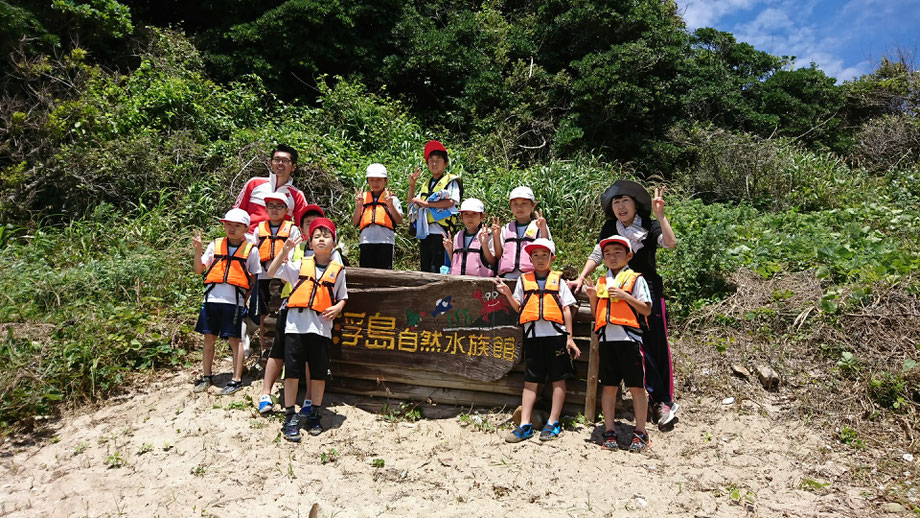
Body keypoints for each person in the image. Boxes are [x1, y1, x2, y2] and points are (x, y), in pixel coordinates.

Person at [568, 180, 679, 428]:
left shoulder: (649, 227)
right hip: (615, 292)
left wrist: (661, 217)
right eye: (616, 202)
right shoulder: (610, 228)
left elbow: (670, 243)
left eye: (625, 200)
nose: (620, 206)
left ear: (636, 204)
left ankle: (662, 401)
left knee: (655, 346)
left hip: (646, 291)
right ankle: (643, 397)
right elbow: (597, 255)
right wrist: (581, 277)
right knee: (629, 347)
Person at [267, 218, 347, 441]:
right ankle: (290, 415)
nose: (321, 239)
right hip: (295, 326)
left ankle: (314, 414)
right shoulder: (300, 265)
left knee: (318, 374)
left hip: (321, 328)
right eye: (317, 236)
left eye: (326, 236)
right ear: (310, 243)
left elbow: (343, 296)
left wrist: (337, 308)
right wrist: (284, 251)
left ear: (334, 242)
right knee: (292, 372)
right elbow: (273, 271)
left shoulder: (338, 270)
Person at [257, 205, 341, 414]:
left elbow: (340, 284)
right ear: (305, 232)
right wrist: (285, 250)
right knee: (278, 350)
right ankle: (266, 394)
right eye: (308, 225)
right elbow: (276, 270)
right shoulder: (296, 249)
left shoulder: (333, 255)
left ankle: (310, 401)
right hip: (291, 307)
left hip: (317, 313)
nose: (315, 231)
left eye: (320, 227)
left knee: (310, 359)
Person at [494, 238, 580, 443]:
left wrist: (569, 337)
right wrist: (507, 293)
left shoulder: (559, 281)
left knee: (558, 379)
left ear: (552, 258)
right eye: (536, 255)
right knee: (531, 381)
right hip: (533, 337)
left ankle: (553, 421)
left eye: (544, 255)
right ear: (530, 258)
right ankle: (525, 424)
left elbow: (567, 309)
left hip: (556, 337)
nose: (540, 259)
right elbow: (519, 307)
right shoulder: (524, 281)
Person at [584, 235, 653, 452]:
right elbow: (598, 315)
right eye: (607, 254)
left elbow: (647, 309)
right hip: (607, 341)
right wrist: (593, 297)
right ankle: (609, 431)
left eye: (617, 253)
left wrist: (624, 295)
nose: (612, 257)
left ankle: (641, 432)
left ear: (629, 255)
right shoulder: (602, 281)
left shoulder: (636, 279)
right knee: (610, 387)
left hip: (629, 340)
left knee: (637, 387)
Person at [191, 208, 262, 395]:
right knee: (209, 337)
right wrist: (198, 250)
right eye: (228, 224)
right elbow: (199, 269)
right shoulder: (215, 245)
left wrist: (244, 299)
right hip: (212, 298)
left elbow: (253, 278)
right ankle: (207, 376)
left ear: (246, 228)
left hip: (235, 302)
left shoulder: (251, 250)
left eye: (237, 226)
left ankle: (236, 379)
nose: (231, 229)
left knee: (235, 339)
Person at [252, 192, 301, 356]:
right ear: (265, 208)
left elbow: (295, 253)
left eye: (279, 206)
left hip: (283, 276)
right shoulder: (259, 229)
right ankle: (264, 348)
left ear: (286, 209)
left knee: (282, 309)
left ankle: (283, 346)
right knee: (264, 312)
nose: (274, 210)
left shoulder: (292, 229)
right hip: (263, 275)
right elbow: (252, 252)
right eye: (271, 206)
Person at [408, 140, 461, 273]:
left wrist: (427, 204)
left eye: (438, 159)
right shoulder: (426, 183)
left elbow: (452, 202)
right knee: (425, 270)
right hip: (425, 233)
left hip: (442, 233)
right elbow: (411, 205)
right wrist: (412, 185)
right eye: (431, 160)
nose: (434, 163)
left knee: (440, 270)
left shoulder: (451, 181)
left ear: (446, 163)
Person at [233, 144, 309, 233]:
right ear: (271, 163)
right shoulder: (254, 183)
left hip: (279, 243)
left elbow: (304, 226)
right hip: (249, 240)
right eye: (277, 160)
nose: (280, 163)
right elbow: (236, 213)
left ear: (293, 167)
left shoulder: (297, 195)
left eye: (285, 160)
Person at [352, 163, 403, 269]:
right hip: (366, 241)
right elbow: (355, 222)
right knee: (366, 274)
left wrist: (390, 205)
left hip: (385, 241)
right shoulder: (362, 198)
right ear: (368, 181)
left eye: (379, 179)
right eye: (372, 180)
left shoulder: (392, 199)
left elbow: (399, 220)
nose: (375, 183)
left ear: (386, 180)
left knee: (384, 274)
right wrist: (359, 205)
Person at [496, 186, 551, 280]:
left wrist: (543, 229)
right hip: (507, 277)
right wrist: (496, 236)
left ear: (533, 205)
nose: (519, 207)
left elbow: (548, 250)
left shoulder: (540, 226)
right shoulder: (506, 228)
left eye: (524, 203)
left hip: (532, 278)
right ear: (510, 206)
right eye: (515, 204)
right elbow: (498, 255)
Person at [442, 198, 501, 277]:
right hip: (457, 282)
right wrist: (449, 250)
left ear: (482, 216)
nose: (470, 218)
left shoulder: (488, 234)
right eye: (466, 214)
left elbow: (493, 262)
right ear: (461, 217)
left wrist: (484, 244)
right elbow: (455, 262)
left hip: (481, 282)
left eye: (474, 214)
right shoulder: (458, 236)